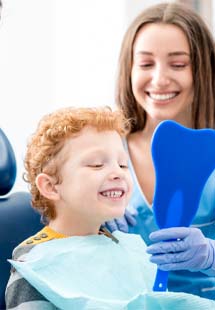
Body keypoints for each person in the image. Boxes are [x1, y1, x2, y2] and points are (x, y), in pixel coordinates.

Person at [110, 1, 215, 300]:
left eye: (178, 64)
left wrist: (210, 255)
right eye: (145, 64)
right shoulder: (103, 152)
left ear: (203, 69)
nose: (159, 79)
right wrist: (87, 223)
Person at [5, 106, 155, 309]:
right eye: (96, 165)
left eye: (122, 164)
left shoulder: (123, 249)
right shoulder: (37, 267)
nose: (117, 173)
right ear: (50, 186)